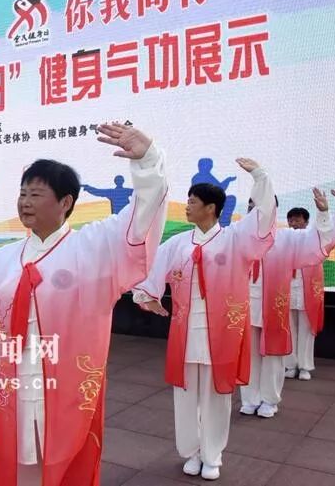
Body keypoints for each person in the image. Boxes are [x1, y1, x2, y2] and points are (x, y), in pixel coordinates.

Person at [0, 123, 168, 486]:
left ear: (66, 203)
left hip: (68, 381)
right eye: (23, 193)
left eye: (36, 194)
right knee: (20, 459)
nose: (25, 202)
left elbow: (138, 225)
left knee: (66, 459)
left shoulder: (93, 247)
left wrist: (148, 163)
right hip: (18, 379)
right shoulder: (5, 258)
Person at [133, 158, 277, 480]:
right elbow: (154, 272)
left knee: (215, 395)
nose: (186, 207)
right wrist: (149, 295)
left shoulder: (235, 238)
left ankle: (213, 454)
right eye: (187, 201)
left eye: (192, 202)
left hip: (221, 333)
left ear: (211, 208)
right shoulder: (178, 243)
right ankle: (192, 450)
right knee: (185, 395)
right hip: (186, 331)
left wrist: (260, 176)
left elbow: (264, 216)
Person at [239, 189, 335, 417]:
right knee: (249, 354)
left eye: (259, 205)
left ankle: (269, 400)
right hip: (245, 306)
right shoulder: (237, 236)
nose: (254, 210)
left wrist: (324, 213)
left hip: (274, 306)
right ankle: (250, 397)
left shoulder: (286, 238)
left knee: (273, 354)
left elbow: (319, 240)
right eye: (251, 205)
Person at [285, 195, 335, 380]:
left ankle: (305, 366)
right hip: (286, 289)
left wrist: (324, 210)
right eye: (291, 219)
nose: (293, 223)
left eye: (297, 219)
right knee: (289, 328)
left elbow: (330, 230)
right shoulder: (284, 238)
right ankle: (290, 364)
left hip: (308, 288)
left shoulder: (314, 237)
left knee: (307, 328)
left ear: (306, 221)